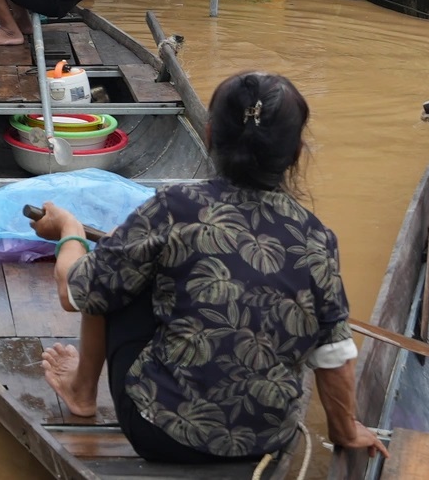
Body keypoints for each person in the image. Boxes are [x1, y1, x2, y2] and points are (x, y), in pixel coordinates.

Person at [30, 72, 389, 465]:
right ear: (297, 153)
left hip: (159, 431)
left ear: (208, 135)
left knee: (113, 268)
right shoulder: (316, 237)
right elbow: (335, 355)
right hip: (268, 439)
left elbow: (75, 292)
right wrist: (345, 430)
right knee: (127, 252)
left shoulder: (173, 207)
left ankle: (82, 392)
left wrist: (69, 230)